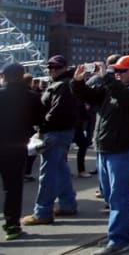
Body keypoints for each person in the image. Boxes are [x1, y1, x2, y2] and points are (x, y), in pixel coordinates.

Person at [70, 56, 129, 255]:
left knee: (118, 195)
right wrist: (78, 82)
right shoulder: (111, 88)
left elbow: (123, 96)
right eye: (116, 70)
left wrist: (107, 78)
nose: (118, 74)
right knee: (108, 193)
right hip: (104, 147)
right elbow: (88, 96)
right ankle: (126, 231)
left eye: (122, 71)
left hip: (121, 149)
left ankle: (118, 239)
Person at [22, 55, 79, 226]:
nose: (52, 69)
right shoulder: (64, 83)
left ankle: (43, 212)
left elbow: (56, 111)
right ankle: (68, 204)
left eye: (56, 67)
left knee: (48, 174)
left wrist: (42, 127)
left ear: (65, 67)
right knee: (60, 169)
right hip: (61, 131)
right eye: (50, 66)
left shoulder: (63, 85)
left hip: (55, 132)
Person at [0, 63, 42, 240]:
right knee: (13, 188)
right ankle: (12, 225)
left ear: (4, 76)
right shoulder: (31, 97)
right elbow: (39, 121)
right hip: (17, 146)